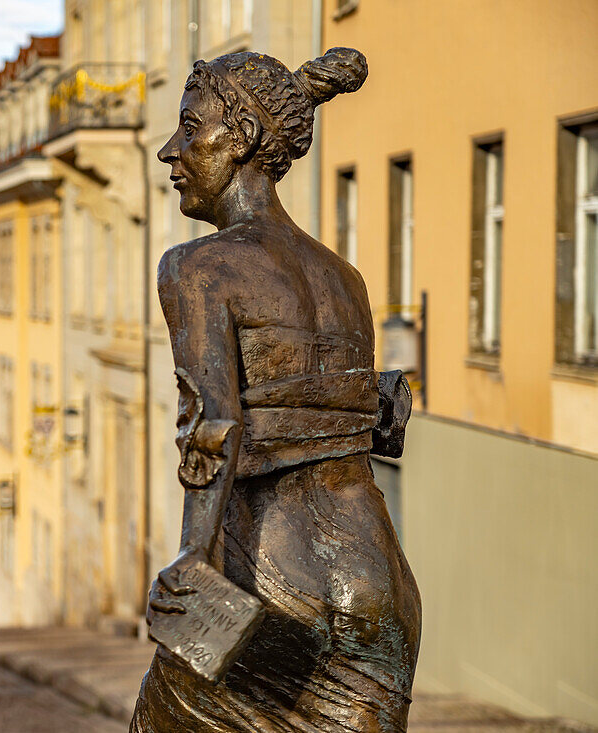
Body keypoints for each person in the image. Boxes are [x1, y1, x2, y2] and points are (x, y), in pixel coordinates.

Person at [132, 48, 421, 732]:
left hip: (272, 578)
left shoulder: (197, 268)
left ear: (243, 140)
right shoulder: (344, 278)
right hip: (379, 581)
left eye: (189, 126)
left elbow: (213, 425)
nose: (171, 152)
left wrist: (192, 562)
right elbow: (377, 419)